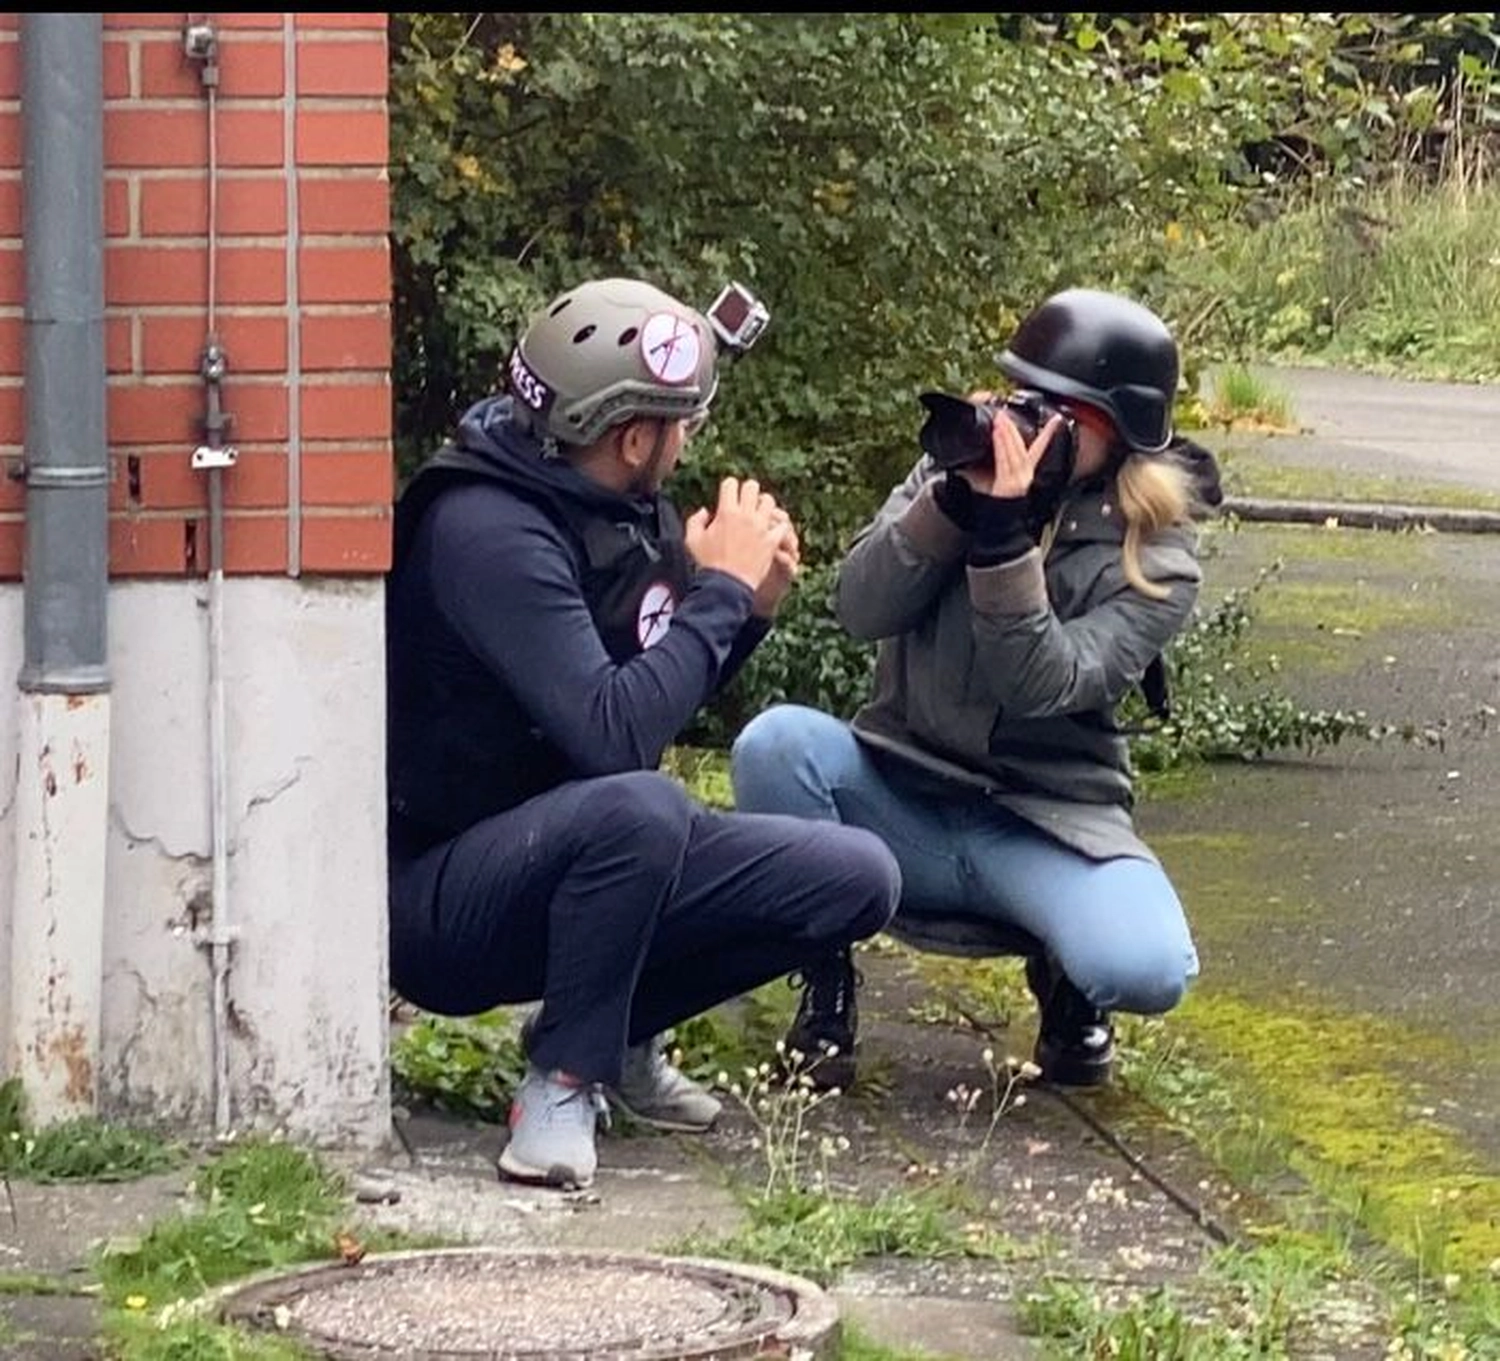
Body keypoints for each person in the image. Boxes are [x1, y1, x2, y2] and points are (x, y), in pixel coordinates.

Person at [385, 277, 901, 1189]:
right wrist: (720, 594)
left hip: (574, 846)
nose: (690, 438)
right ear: (633, 437)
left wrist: (746, 614)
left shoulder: (610, 504)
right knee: (642, 807)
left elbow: (644, 702)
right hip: (437, 897)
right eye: (682, 422)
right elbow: (616, 742)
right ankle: (560, 1086)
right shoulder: (488, 531)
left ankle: (608, 1037)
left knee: (858, 876)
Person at [730, 288, 1222, 1093]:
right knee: (776, 745)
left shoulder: (1155, 556)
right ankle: (823, 985)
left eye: (1065, 411)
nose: (1031, 424)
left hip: (1042, 822)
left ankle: (1068, 980)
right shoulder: (953, 472)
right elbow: (859, 607)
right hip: (905, 790)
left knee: (1147, 965)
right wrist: (952, 506)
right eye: (1027, 399)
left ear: (1122, 431)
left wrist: (1003, 545)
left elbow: (1043, 682)